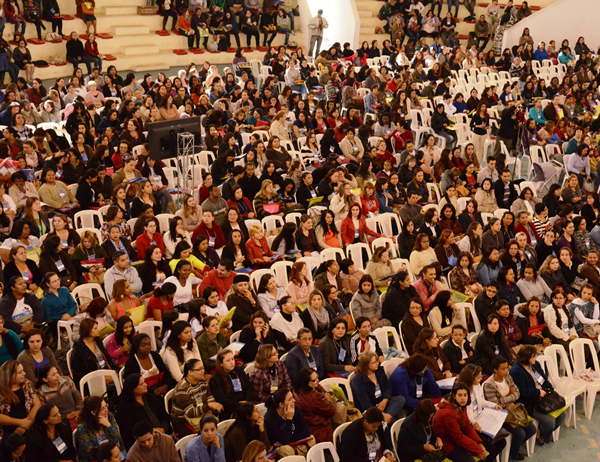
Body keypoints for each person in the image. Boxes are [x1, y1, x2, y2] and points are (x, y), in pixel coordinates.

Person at [510, 345, 567, 446]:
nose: (536, 357)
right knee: (549, 422)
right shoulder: (516, 371)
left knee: (563, 415)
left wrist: (550, 390)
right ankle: (542, 437)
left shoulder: (535, 365)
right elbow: (522, 392)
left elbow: (543, 379)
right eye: (533, 356)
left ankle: (541, 431)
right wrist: (538, 392)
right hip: (530, 402)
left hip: (543, 396)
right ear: (526, 358)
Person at [433, 381, 504, 462]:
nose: (463, 398)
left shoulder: (462, 406)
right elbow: (458, 436)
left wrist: (479, 443)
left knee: (488, 450)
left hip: (456, 438)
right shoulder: (449, 413)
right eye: (459, 395)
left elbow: (467, 426)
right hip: (446, 443)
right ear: (454, 396)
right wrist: (477, 449)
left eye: (465, 395)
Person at [115, 374, 170, 449]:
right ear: (133, 389)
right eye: (141, 384)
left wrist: (162, 429)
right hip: (142, 443)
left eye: (144, 382)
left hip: (162, 434)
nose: (145, 385)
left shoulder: (150, 397)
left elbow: (165, 416)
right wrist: (150, 432)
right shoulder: (124, 407)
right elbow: (127, 432)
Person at [171, 358, 222, 437]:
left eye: (203, 368)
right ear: (190, 372)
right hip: (183, 420)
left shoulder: (203, 382)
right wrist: (209, 406)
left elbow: (210, 398)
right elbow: (190, 412)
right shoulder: (182, 389)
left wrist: (209, 411)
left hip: (201, 413)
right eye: (199, 369)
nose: (203, 371)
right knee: (205, 436)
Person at [264, 388, 315, 458]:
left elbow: (306, 432)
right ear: (281, 404)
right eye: (290, 399)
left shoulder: (295, 409)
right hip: (282, 449)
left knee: (312, 439)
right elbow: (284, 439)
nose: (294, 400)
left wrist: (288, 441)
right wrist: (289, 419)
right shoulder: (270, 418)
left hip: (293, 443)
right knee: (286, 450)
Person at [292, 367, 337, 443]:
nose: (318, 381)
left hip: (309, 426)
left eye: (317, 377)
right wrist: (328, 398)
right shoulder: (314, 397)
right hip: (320, 431)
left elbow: (317, 385)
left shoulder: (297, 390)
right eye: (314, 380)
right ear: (306, 382)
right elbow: (331, 411)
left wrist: (324, 391)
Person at [0, 360, 41, 443]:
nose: (24, 374)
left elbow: (37, 404)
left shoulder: (27, 384)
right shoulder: (1, 391)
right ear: (10, 376)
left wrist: (27, 423)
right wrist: (20, 422)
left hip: (28, 425)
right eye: (20, 372)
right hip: (6, 431)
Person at [122, 333, 174, 398]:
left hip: (161, 387)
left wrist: (165, 386)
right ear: (137, 347)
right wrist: (152, 392)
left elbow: (166, 373)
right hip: (144, 393)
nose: (147, 347)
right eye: (144, 345)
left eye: (149, 344)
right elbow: (133, 385)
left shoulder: (155, 356)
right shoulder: (131, 362)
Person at [209, 349, 255, 420]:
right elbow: (223, 400)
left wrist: (247, 401)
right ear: (221, 363)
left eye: (232, 359)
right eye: (228, 361)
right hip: (231, 410)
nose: (231, 362)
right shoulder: (216, 379)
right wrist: (241, 406)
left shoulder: (239, 370)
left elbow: (249, 387)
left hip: (247, 404)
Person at [70, 318, 116, 387]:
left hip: (104, 371)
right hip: (91, 379)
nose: (98, 330)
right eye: (95, 329)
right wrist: (102, 379)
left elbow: (106, 356)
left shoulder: (97, 340)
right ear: (87, 330)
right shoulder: (79, 348)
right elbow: (84, 371)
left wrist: (114, 370)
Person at [75, 396, 123, 462]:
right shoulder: (83, 428)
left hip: (111, 456)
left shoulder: (109, 417)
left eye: (106, 406)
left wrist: (109, 426)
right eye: (103, 408)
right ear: (93, 413)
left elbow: (116, 439)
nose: (106, 410)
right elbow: (90, 452)